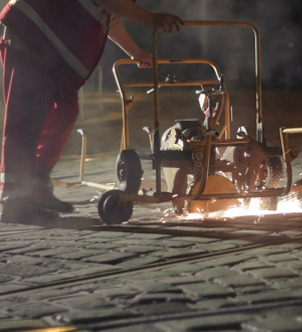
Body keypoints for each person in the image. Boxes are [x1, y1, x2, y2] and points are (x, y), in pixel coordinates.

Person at [0, 0, 183, 225]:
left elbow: (108, 16)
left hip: (47, 42)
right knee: (25, 121)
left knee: (65, 112)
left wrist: (135, 52)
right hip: (30, 33)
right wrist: (152, 19)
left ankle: (36, 185)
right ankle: (16, 202)